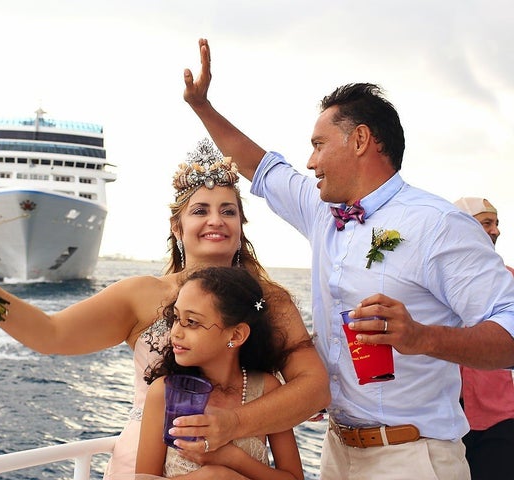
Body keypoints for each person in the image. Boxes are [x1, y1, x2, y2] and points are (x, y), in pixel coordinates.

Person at [179, 38, 514, 479]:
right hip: (337, 452)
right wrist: (202, 106)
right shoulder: (320, 211)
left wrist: (420, 337)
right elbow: (259, 166)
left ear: (360, 141)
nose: (310, 161)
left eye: (319, 144)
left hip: (413, 457)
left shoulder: (439, 225)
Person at [0, 138, 330, 475]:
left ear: (241, 225)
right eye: (200, 210)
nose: (216, 220)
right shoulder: (140, 295)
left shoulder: (268, 302)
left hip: (239, 468)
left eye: (228, 211)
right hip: (144, 468)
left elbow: (313, 389)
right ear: (177, 229)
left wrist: (231, 427)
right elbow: (51, 334)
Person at [136, 266, 304, 480]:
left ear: (236, 334)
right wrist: (212, 475)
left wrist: (232, 460)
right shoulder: (165, 392)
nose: (176, 331)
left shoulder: (267, 389)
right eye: (176, 318)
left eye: (192, 322)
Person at [453, 196, 514, 480]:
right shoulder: (435, 280)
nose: (496, 230)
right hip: (449, 417)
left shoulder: (510, 280)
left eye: (497, 223)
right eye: (487, 223)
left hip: (501, 417)